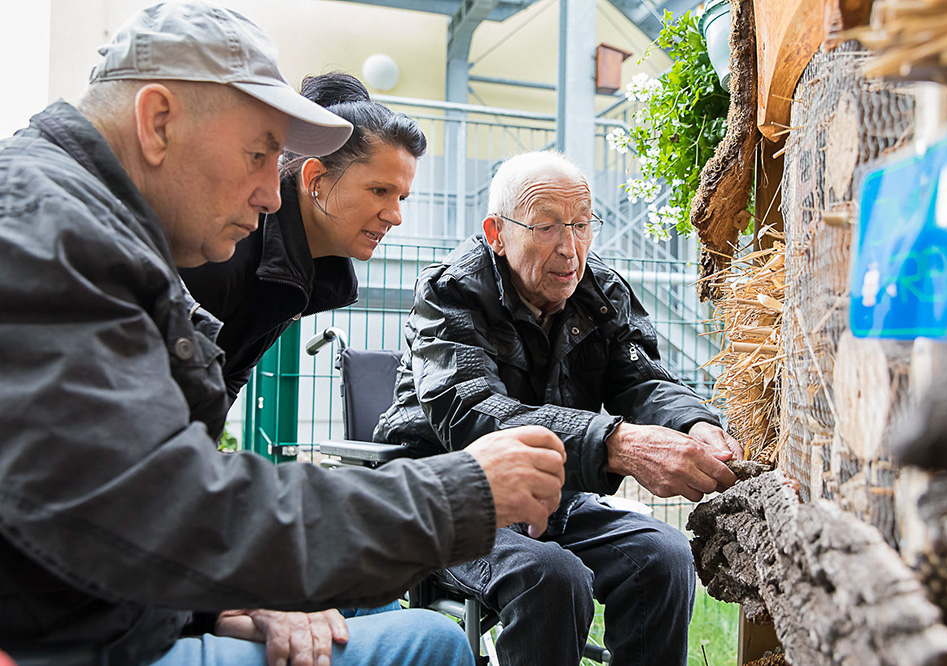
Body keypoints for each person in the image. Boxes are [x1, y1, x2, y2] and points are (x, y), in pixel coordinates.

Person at [0, 4, 566, 666]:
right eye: (260, 152)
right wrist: (460, 491)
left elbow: (119, 499)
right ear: (158, 122)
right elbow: (157, 508)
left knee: (381, 616)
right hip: (69, 635)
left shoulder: (79, 219)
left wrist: (223, 600)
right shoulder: (49, 236)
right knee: (432, 642)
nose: (273, 194)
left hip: (102, 597)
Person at [375, 150, 745, 666]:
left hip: (552, 498)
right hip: (446, 498)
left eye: (581, 225)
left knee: (664, 556)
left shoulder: (601, 292)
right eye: (547, 227)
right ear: (496, 233)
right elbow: (474, 414)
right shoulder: (450, 293)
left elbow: (640, 381)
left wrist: (696, 423)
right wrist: (614, 443)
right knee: (551, 576)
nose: (571, 249)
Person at [181, 72, 423, 405]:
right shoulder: (227, 244)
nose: (395, 217)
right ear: (315, 179)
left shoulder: (306, 264)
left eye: (402, 198)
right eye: (379, 191)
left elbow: (229, 373)